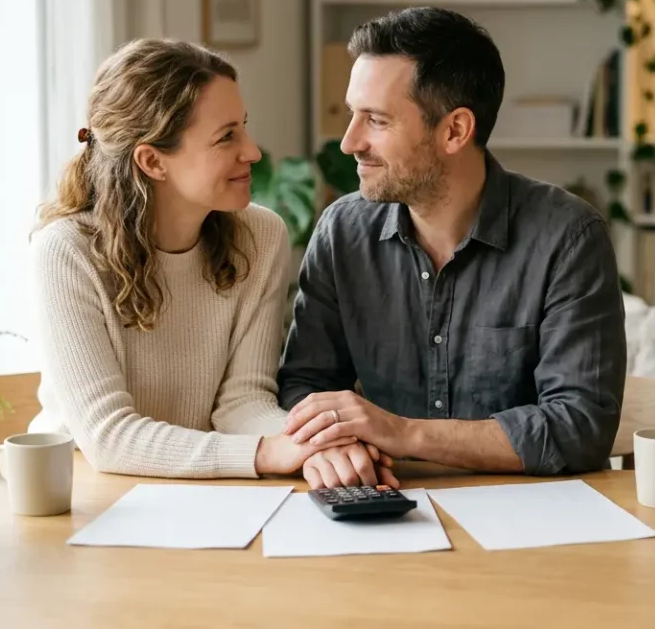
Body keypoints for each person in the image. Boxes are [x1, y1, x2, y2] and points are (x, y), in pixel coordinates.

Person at [277, 7, 627, 487]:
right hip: (384, 505)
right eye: (352, 115)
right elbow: (305, 385)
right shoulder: (342, 232)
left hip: (531, 524)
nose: (349, 142)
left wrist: (403, 433)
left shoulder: (568, 237)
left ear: (455, 131)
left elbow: (579, 427)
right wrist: (337, 446)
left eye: (376, 120)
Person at [29, 38, 395, 486]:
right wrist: (268, 452)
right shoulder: (66, 251)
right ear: (152, 161)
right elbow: (107, 436)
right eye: (226, 137)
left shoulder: (260, 237)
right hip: (88, 493)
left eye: (243, 126)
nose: (253, 152)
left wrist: (320, 445)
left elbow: (243, 402)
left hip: (207, 489)